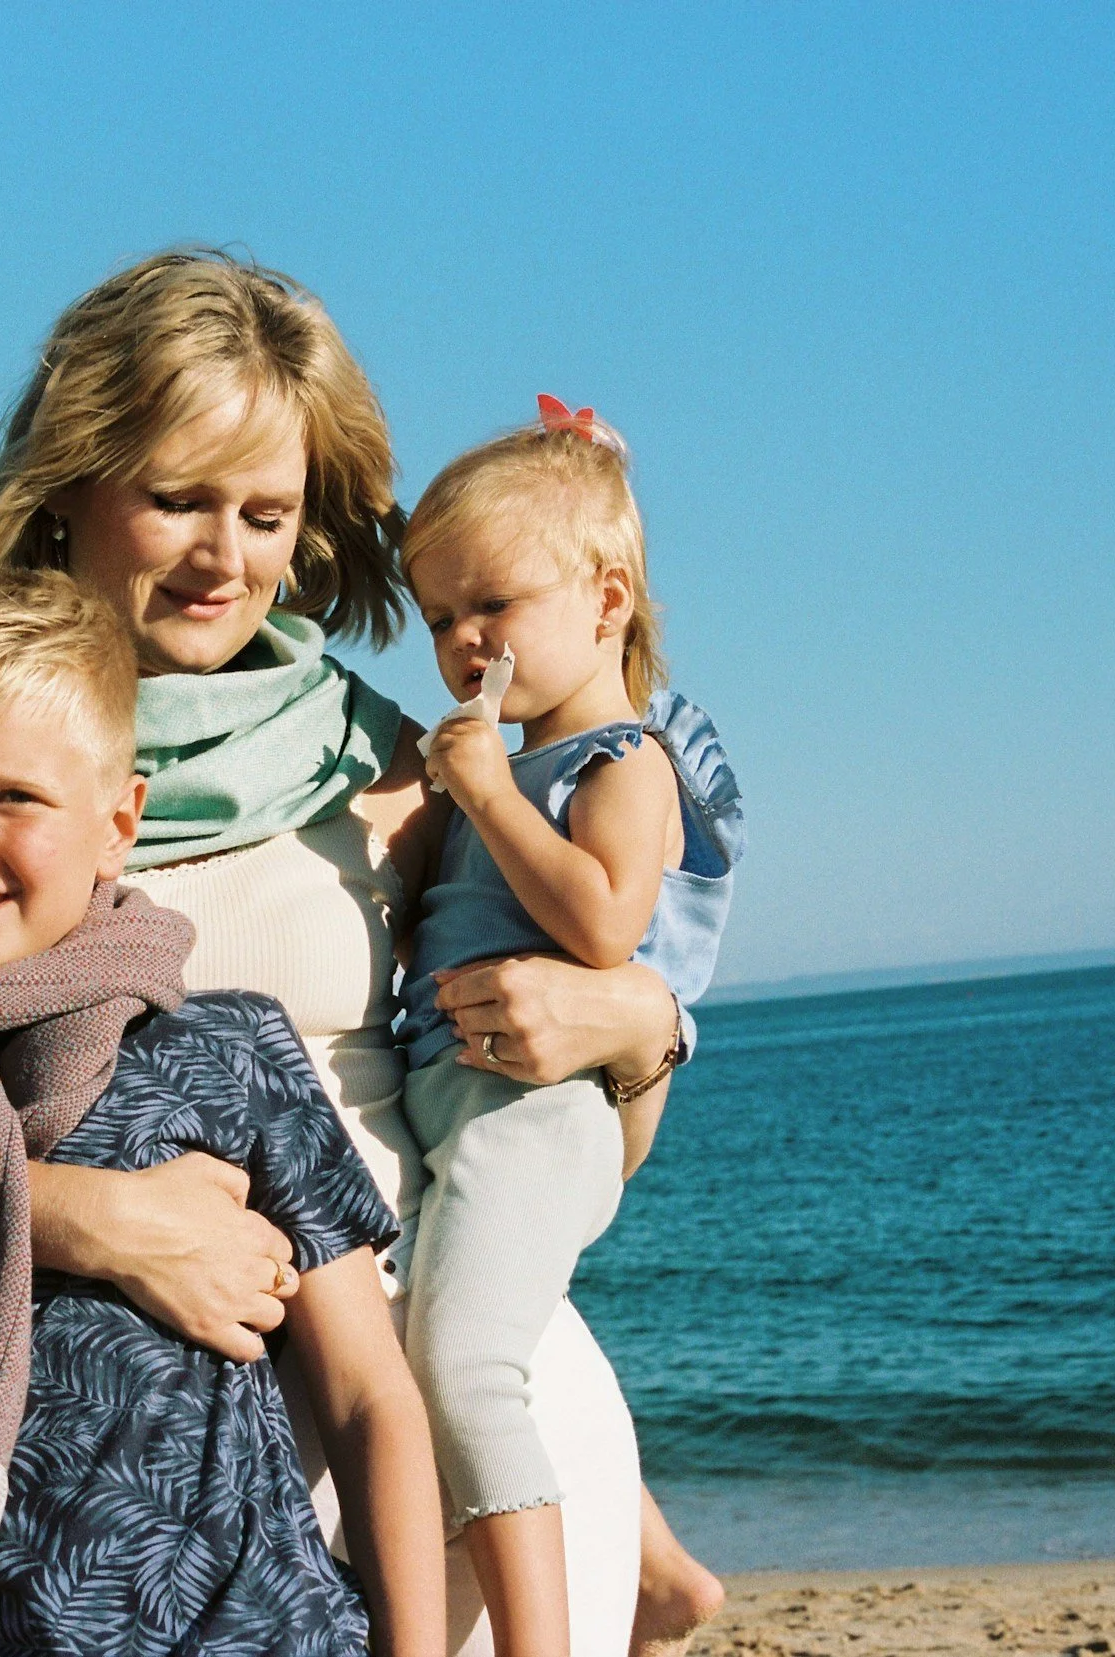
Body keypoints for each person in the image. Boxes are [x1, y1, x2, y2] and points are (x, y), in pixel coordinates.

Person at [0, 248, 723, 1656]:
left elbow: (559, 1141)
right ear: (70, 485)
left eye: (267, 513)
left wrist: (643, 1030)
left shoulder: (395, 762)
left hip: (434, 1436)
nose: (226, 556)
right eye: (176, 498)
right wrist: (99, 1221)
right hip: (105, 1474)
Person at [0, 570, 444, 1655]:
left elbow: (369, 1394)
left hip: (252, 1628)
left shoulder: (226, 1051)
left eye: (16, 798)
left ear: (117, 820)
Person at [400, 402, 745, 1657]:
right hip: (457, 1095)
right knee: (465, 1332)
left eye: (490, 603)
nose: (460, 640)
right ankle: (651, 1571)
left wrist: (485, 789)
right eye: (437, 616)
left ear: (605, 602)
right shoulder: (507, 766)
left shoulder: (621, 764)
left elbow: (605, 927)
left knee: (467, 1363)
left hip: (533, 1114)